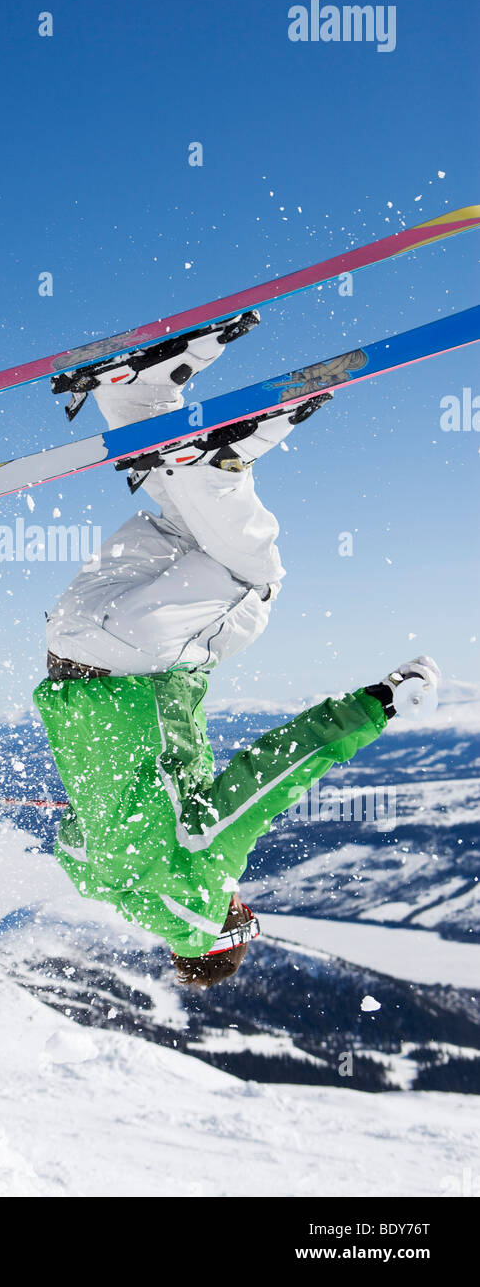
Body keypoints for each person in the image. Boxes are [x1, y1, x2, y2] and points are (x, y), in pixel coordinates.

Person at [32, 326, 441, 988]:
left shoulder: (202, 876)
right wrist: (106, 816)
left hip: (131, 660)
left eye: (245, 922)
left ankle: (212, 465)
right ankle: (138, 396)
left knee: (255, 578)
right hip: (71, 643)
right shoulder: (95, 879)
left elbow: (276, 774)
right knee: (189, 531)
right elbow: (76, 829)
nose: (245, 907)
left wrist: (379, 703)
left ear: (224, 932)